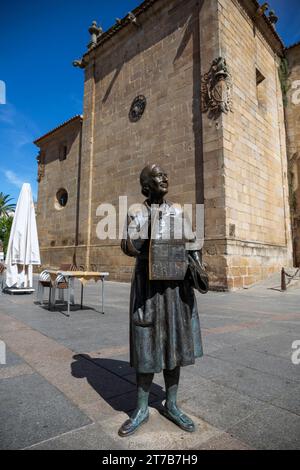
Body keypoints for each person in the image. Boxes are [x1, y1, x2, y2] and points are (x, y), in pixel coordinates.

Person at [119, 164, 207, 437]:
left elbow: (193, 245)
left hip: (176, 289)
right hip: (148, 288)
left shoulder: (178, 211)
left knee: (175, 345)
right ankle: (142, 408)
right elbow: (127, 245)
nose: (165, 178)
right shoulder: (136, 212)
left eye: (166, 175)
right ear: (146, 184)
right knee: (146, 347)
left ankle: (172, 404)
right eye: (158, 176)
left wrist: (198, 267)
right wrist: (152, 222)